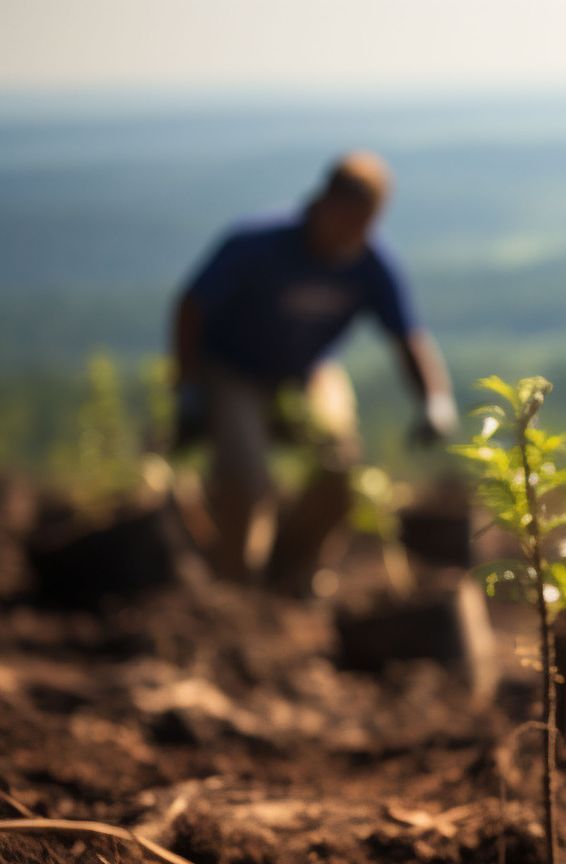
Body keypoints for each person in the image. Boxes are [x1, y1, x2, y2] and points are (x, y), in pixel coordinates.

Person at [170, 151, 457, 593]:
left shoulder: (371, 262)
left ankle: (292, 573)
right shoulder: (256, 244)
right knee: (247, 482)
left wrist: (434, 399)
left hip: (308, 372)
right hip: (233, 372)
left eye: (367, 223)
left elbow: (407, 338)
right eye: (349, 218)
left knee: (341, 470)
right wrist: (188, 387)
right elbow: (191, 308)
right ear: (324, 202)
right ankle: (236, 583)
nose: (355, 232)